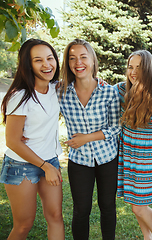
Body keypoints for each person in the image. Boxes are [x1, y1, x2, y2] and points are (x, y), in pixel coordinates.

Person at [0, 39, 64, 239]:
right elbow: (12, 141)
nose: (47, 65)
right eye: (38, 60)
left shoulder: (56, 88)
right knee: (23, 225)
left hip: (50, 161)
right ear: (28, 65)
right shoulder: (20, 96)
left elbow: (83, 80)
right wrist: (45, 166)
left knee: (55, 216)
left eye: (50, 58)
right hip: (21, 165)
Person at [59, 39, 120, 240]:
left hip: (107, 158)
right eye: (72, 58)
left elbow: (116, 126)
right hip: (79, 160)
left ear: (93, 60)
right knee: (81, 210)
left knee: (108, 207)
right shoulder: (60, 92)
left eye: (83, 57)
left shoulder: (109, 91)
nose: (78, 62)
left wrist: (87, 138)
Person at [116, 50, 152, 240]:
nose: (133, 72)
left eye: (139, 67)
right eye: (130, 67)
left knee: (139, 206)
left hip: (148, 157)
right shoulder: (121, 91)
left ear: (149, 69)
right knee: (135, 205)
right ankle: (148, 237)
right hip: (128, 153)